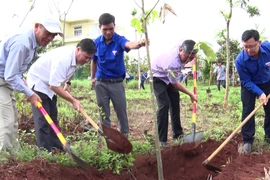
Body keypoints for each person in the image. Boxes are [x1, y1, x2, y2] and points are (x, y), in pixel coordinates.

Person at [0, 15, 63, 151]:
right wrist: (30, 93)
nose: (50, 38)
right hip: (2, 82)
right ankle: (5, 162)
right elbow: (10, 75)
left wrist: (25, 86)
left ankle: (13, 155)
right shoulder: (22, 43)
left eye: (53, 35)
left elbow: (16, 72)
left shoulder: (33, 44)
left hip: (6, 83)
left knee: (13, 121)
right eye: (47, 33)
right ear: (36, 27)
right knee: (7, 122)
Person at [26, 38, 96, 152]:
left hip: (49, 83)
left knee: (53, 115)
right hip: (38, 82)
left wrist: (67, 83)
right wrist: (73, 100)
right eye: (86, 57)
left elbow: (70, 70)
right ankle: (45, 151)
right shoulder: (63, 59)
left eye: (90, 58)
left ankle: (56, 146)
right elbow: (54, 86)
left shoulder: (76, 57)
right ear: (78, 50)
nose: (87, 60)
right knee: (43, 119)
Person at [91, 13, 147, 137]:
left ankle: (124, 137)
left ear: (114, 26)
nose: (108, 32)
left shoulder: (119, 40)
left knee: (121, 112)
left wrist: (140, 43)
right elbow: (93, 61)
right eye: (105, 29)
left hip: (116, 83)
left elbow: (129, 45)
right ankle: (108, 139)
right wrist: (93, 78)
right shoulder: (96, 43)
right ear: (100, 27)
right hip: (100, 83)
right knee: (103, 113)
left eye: (111, 28)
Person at [151, 40, 198, 146]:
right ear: (180, 50)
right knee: (164, 105)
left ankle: (178, 134)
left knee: (175, 103)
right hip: (158, 76)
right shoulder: (173, 62)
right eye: (187, 57)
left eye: (192, 58)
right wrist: (191, 94)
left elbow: (188, 45)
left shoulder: (183, 48)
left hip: (168, 76)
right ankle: (162, 140)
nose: (188, 60)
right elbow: (174, 83)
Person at [235, 29, 270, 153]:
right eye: (245, 47)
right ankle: (248, 141)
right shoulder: (240, 60)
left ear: (259, 43)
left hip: (267, 82)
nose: (249, 50)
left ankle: (269, 136)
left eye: (251, 46)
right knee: (248, 111)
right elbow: (246, 81)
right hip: (249, 85)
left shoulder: (268, 48)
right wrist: (260, 93)